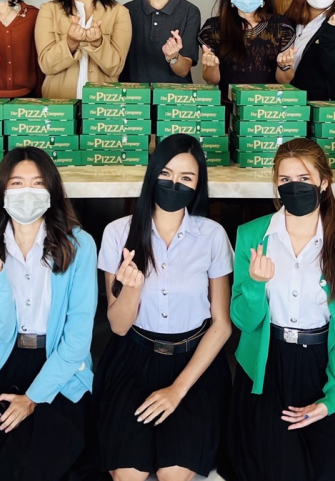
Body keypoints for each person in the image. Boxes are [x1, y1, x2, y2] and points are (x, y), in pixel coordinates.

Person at [0, 147, 97, 481]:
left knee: (42, 458)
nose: (27, 192)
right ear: (2, 191)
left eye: (38, 183)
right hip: (3, 359)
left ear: (51, 191)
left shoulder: (79, 246)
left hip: (59, 364)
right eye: (17, 183)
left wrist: (32, 399)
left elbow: (77, 339)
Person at [228, 139, 335, 481]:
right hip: (267, 363)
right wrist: (255, 284)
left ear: (324, 182)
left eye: (304, 179)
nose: (294, 187)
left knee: (333, 468)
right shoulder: (251, 235)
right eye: (285, 179)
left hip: (321, 363)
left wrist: (333, 396)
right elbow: (243, 320)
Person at [96, 134, 233, 480]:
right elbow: (118, 326)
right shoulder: (118, 233)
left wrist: (178, 389)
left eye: (186, 177)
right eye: (166, 173)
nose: (174, 184)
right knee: (128, 474)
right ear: (152, 174)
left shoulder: (212, 235)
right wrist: (132, 288)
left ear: (198, 185)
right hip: (133, 357)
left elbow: (221, 325)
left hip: (194, 361)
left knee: (173, 473)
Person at [35, 0, 132, 99]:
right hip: (59, 103)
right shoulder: (49, 10)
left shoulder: (119, 12)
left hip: (102, 105)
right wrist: (70, 43)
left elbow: (115, 68)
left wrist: (98, 43)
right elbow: (46, 65)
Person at [197, 0, 295, 97]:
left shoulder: (281, 26)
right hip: (229, 106)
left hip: (269, 107)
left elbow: (285, 81)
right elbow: (211, 81)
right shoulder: (213, 28)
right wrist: (212, 66)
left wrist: (284, 65)